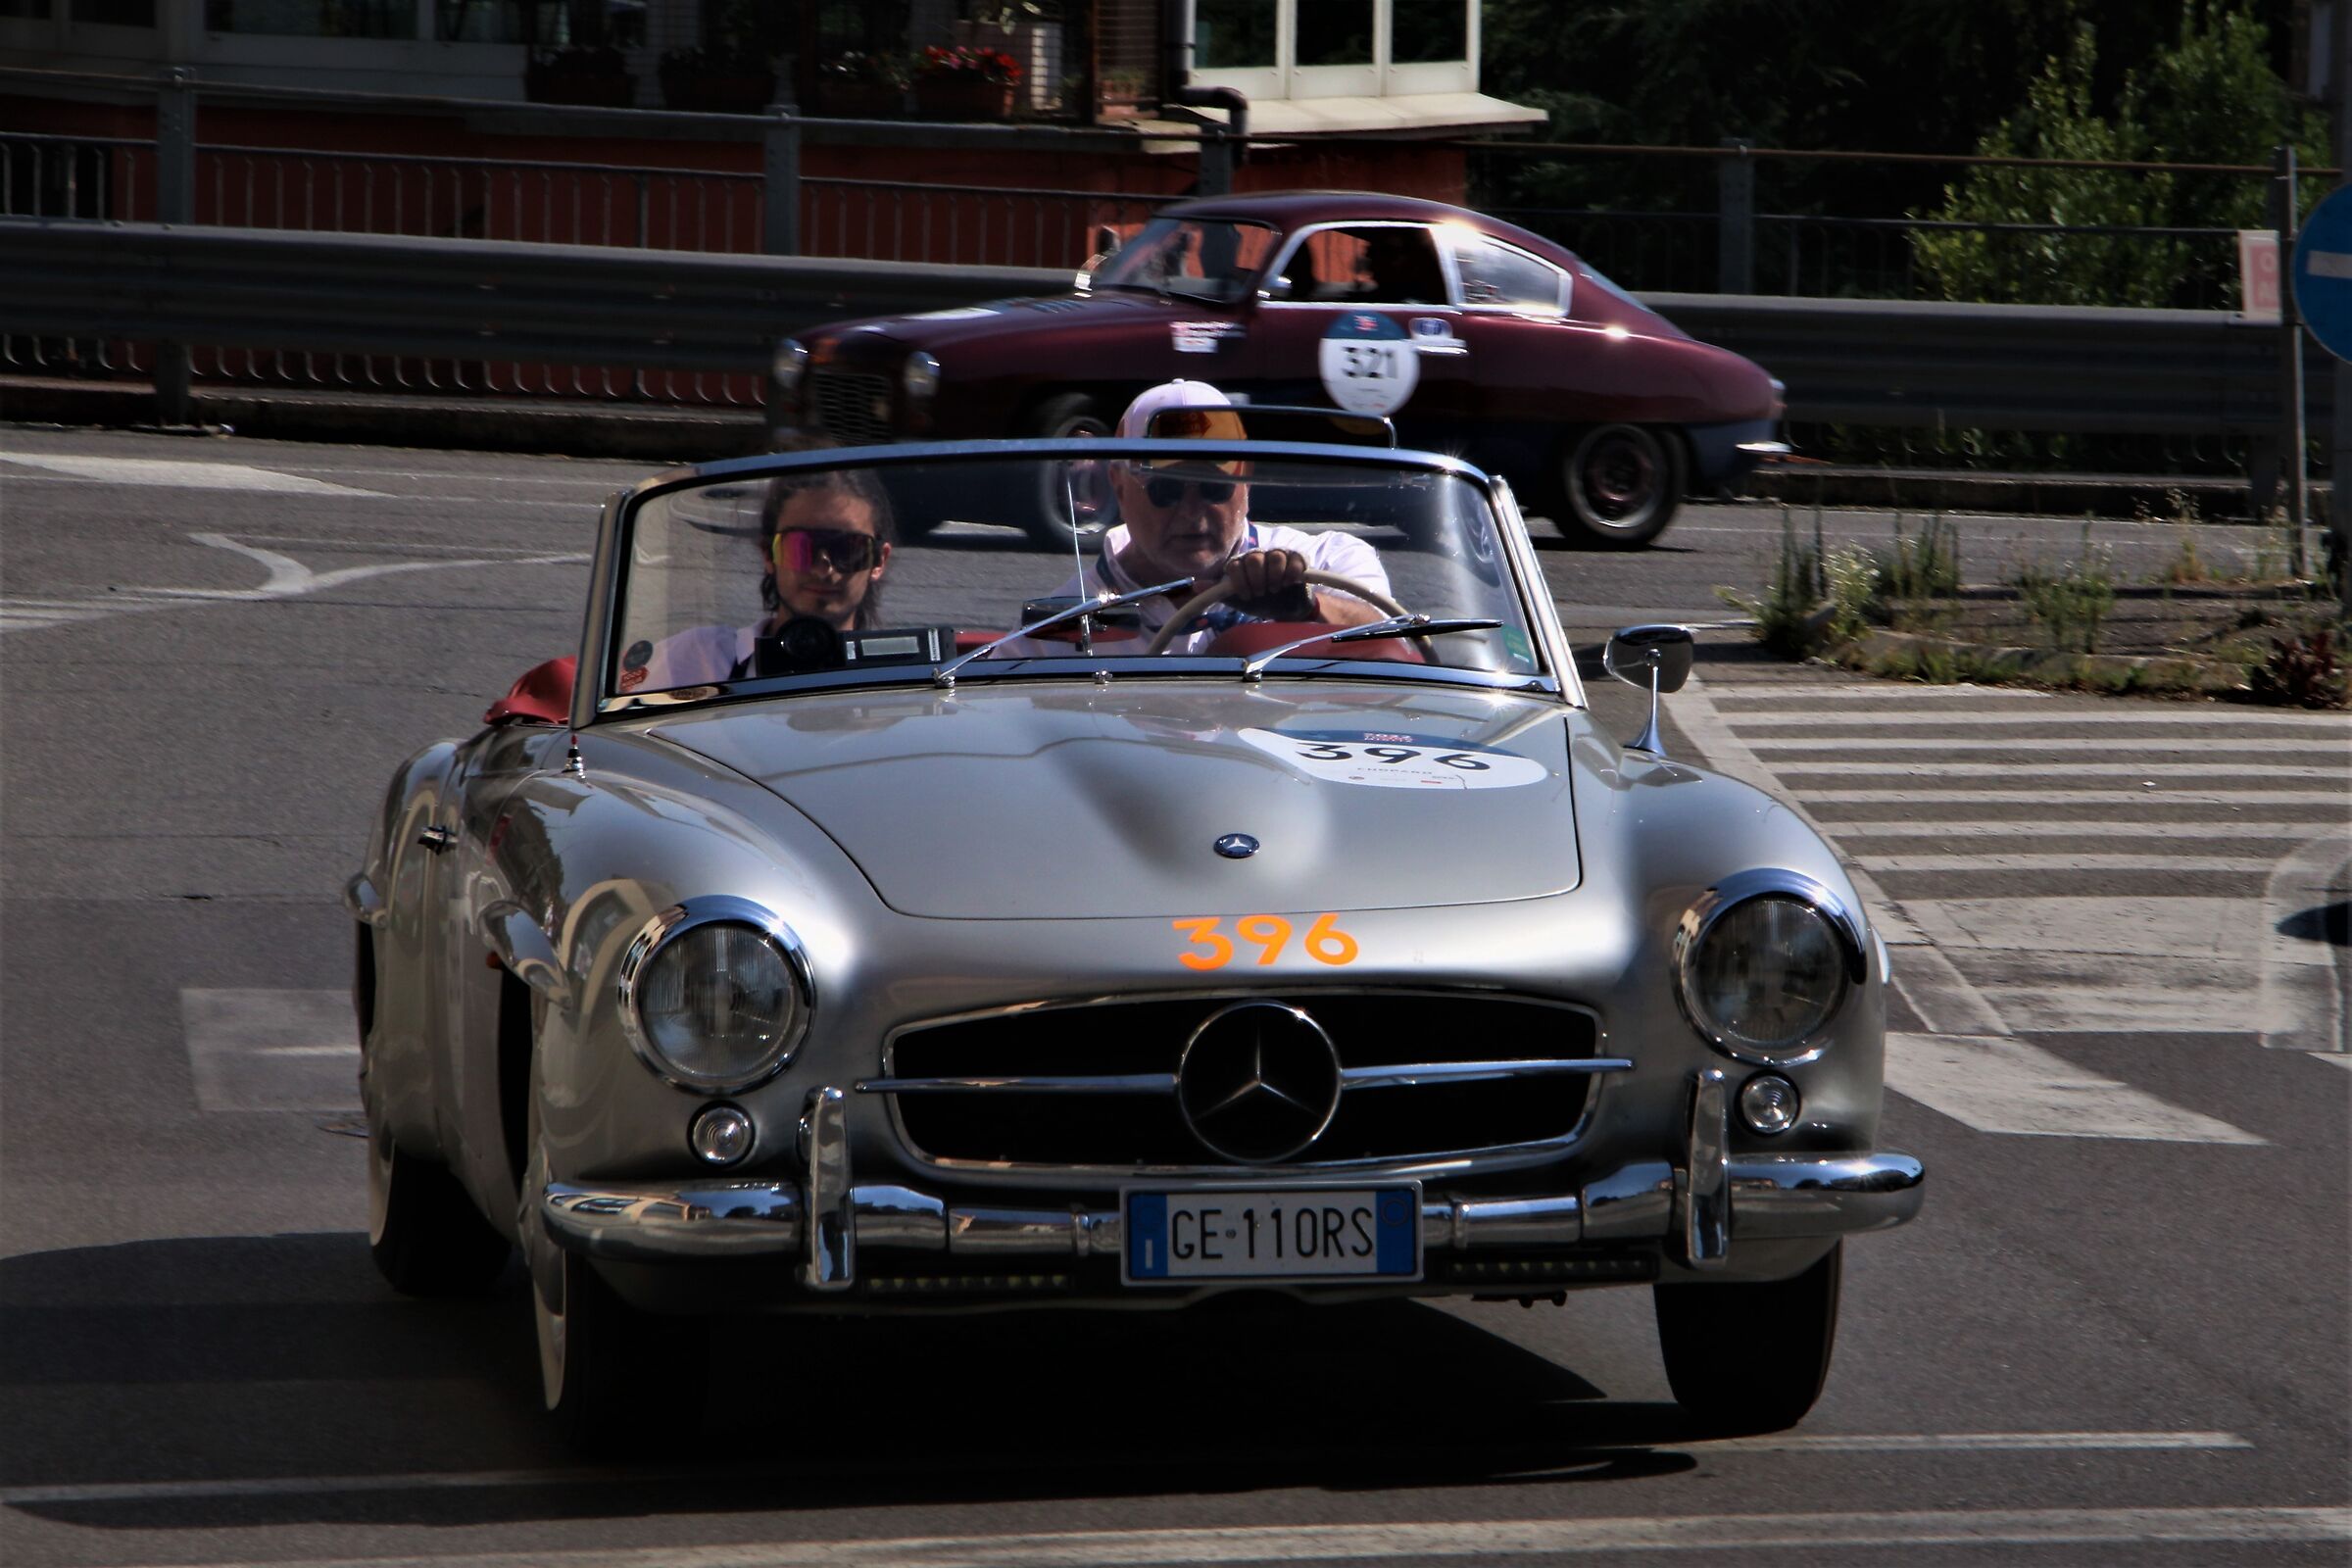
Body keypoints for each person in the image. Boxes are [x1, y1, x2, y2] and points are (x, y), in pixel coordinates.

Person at [1030, 380, 1390, 656]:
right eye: (1166, 490)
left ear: (1245, 478)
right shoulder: (1066, 624)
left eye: (1213, 487)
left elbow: (1399, 650)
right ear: (1119, 486)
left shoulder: (1331, 560)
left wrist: (1306, 608)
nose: (1191, 512)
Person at [628, 466, 896, 691]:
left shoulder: (900, 677)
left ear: (879, 561)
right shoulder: (693, 659)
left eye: (848, 548)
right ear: (768, 554)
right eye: (800, 546)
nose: (822, 568)